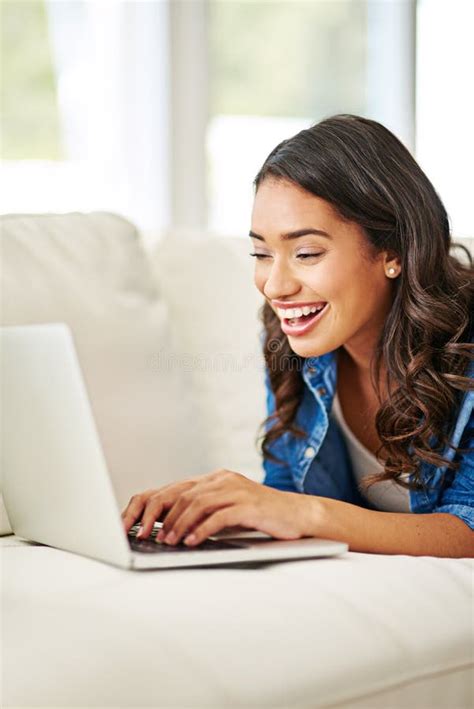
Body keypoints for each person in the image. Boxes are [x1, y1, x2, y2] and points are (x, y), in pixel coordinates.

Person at [121, 114, 474, 558]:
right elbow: (287, 487)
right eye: (262, 253)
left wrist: (306, 513)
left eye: (306, 253)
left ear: (393, 251)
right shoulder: (295, 342)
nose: (275, 286)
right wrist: (220, 506)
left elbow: (469, 524)